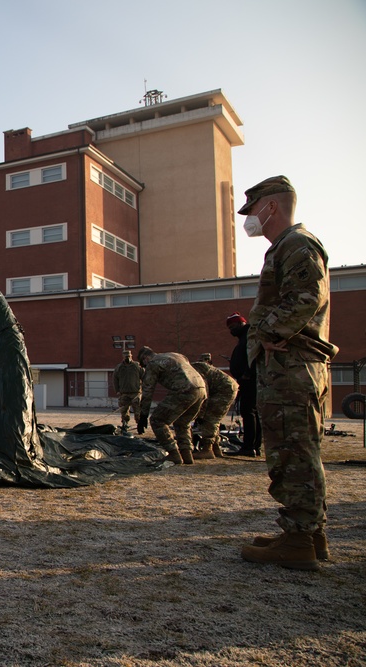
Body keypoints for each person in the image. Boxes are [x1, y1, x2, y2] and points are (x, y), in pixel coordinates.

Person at [235, 175, 338, 572]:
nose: (250, 219)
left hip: (291, 368)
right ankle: (308, 533)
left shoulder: (297, 243)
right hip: (288, 367)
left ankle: (299, 541)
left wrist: (267, 331)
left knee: (292, 453)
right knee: (297, 451)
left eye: (253, 210)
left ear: (271, 207)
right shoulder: (285, 246)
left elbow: (308, 296)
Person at [136, 346, 207, 465]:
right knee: (182, 422)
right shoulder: (176, 355)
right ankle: (187, 454)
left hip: (183, 390)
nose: (144, 368)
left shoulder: (153, 363)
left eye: (143, 365)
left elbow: (148, 390)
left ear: (145, 358)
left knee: (158, 420)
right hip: (201, 389)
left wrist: (143, 415)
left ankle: (173, 454)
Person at [190, 353, 239, 460]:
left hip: (224, 389)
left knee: (209, 418)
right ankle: (215, 448)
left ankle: (207, 450)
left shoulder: (195, 371)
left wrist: (200, 414)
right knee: (214, 419)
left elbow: (204, 394)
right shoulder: (195, 368)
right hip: (227, 387)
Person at [225, 312, 261, 456]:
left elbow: (255, 356)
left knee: (249, 412)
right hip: (247, 380)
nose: (231, 331)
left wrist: (247, 373)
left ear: (241, 324)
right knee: (252, 412)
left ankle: (249, 446)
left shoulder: (249, 338)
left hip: (249, 381)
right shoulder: (244, 338)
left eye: (233, 327)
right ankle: (254, 445)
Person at [112, 350, 143, 434]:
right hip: (124, 393)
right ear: (123, 357)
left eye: (129, 356)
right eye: (126, 357)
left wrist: (143, 389)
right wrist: (117, 390)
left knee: (138, 411)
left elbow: (144, 376)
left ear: (131, 356)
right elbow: (115, 379)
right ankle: (125, 425)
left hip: (135, 393)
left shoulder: (137, 366)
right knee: (124, 411)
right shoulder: (119, 367)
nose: (127, 358)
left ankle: (140, 426)